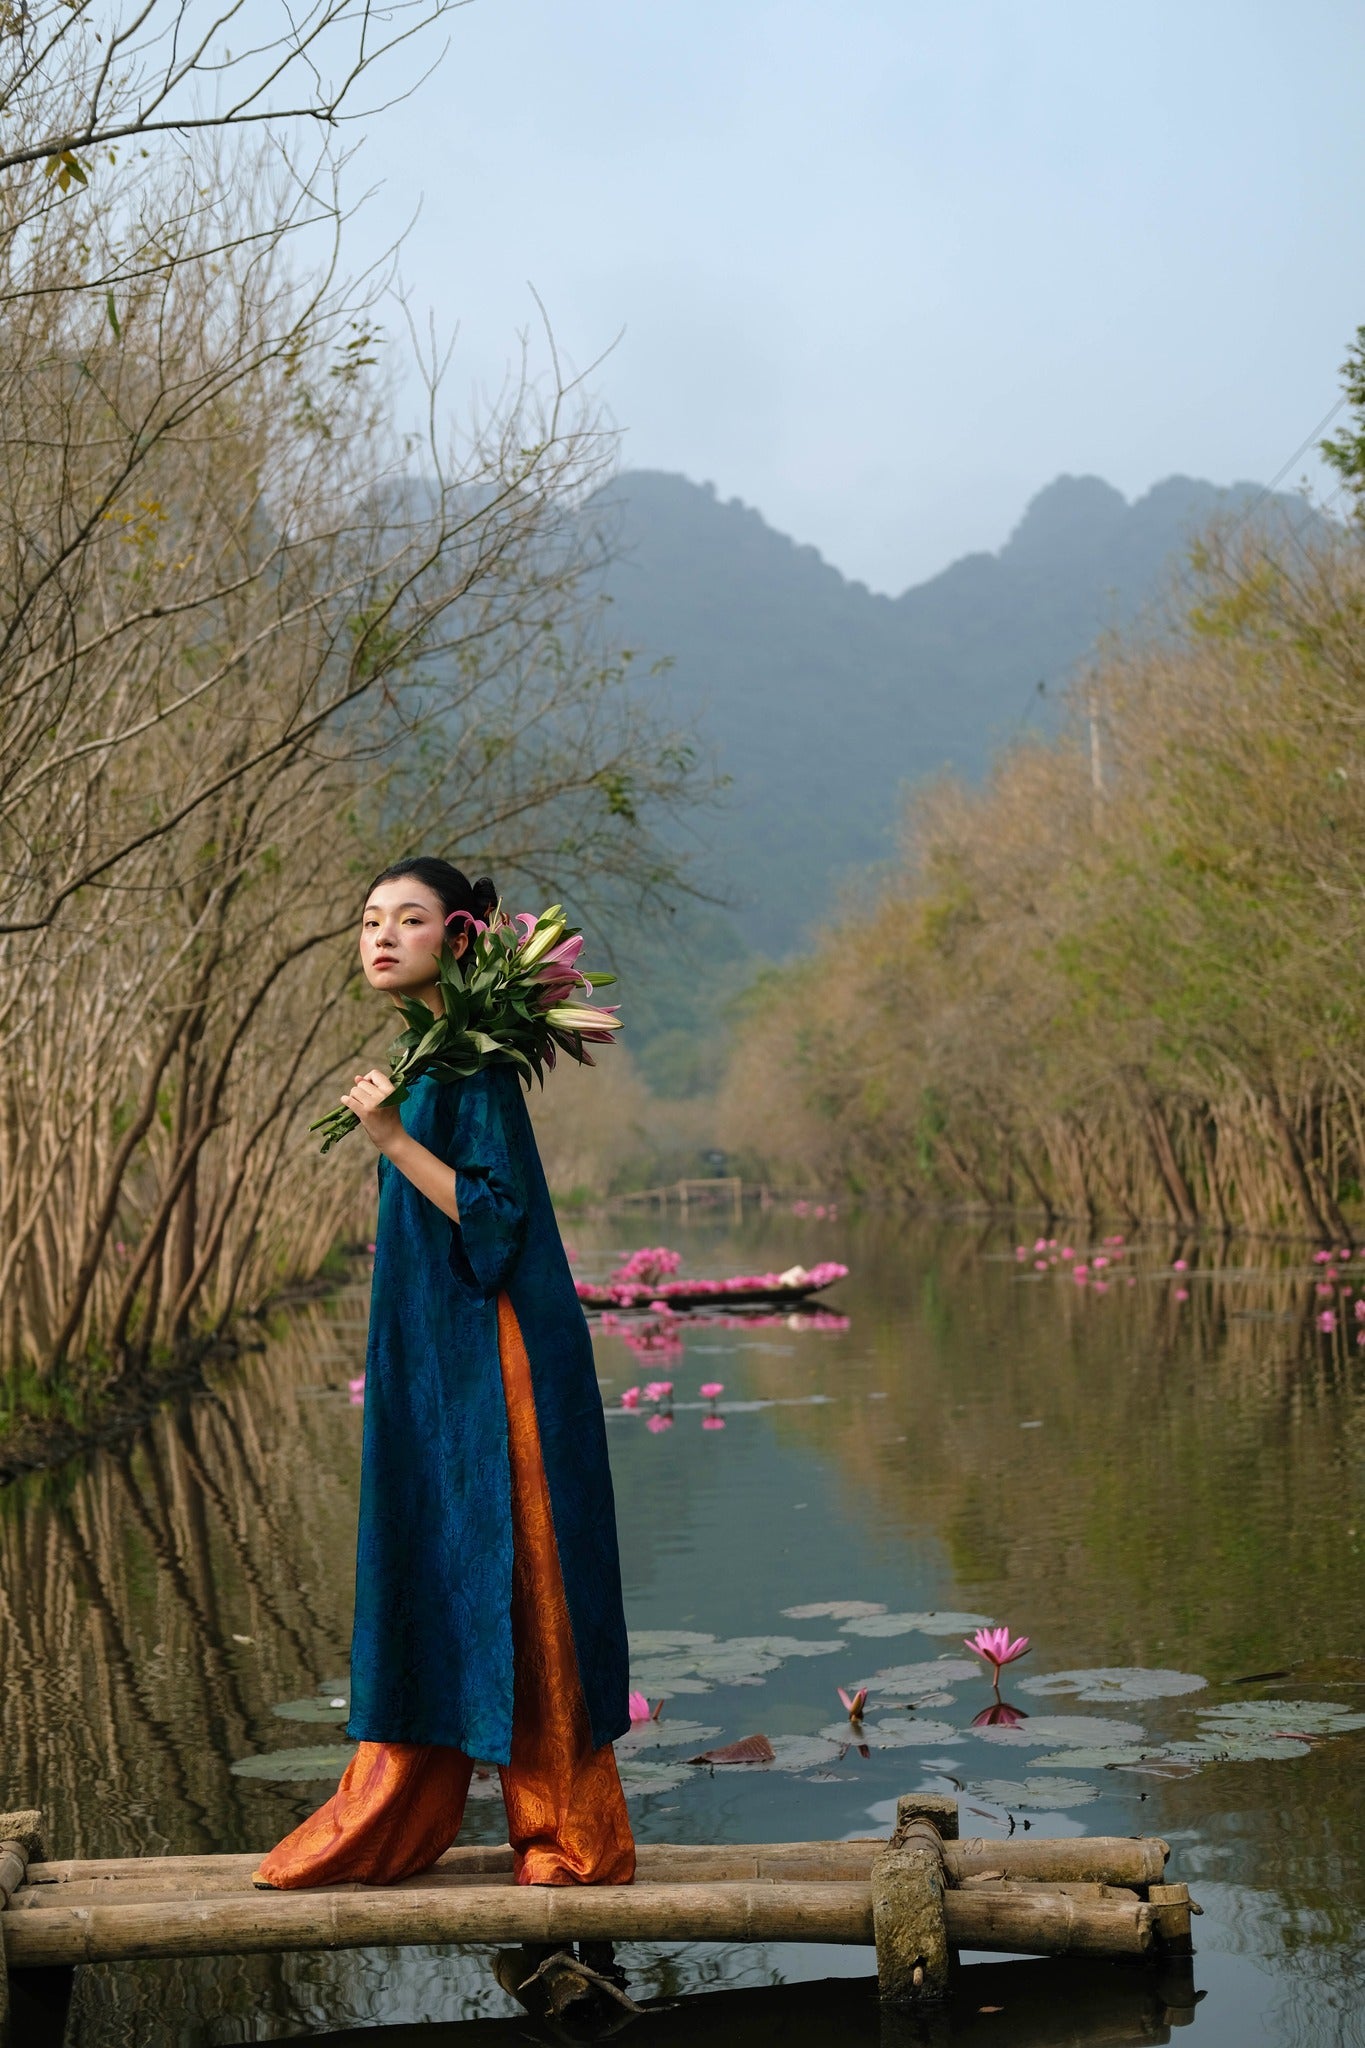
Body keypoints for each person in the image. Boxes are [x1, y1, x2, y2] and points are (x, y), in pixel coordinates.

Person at [253, 857, 635, 1890]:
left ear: (459, 940)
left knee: (527, 1566)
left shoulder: (470, 1066)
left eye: (408, 919)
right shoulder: (429, 1054)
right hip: (439, 1349)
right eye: (370, 917)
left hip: (496, 1349)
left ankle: (567, 1830)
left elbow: (496, 1217)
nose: (381, 934)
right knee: (434, 1552)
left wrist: (385, 1136)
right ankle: (400, 1806)